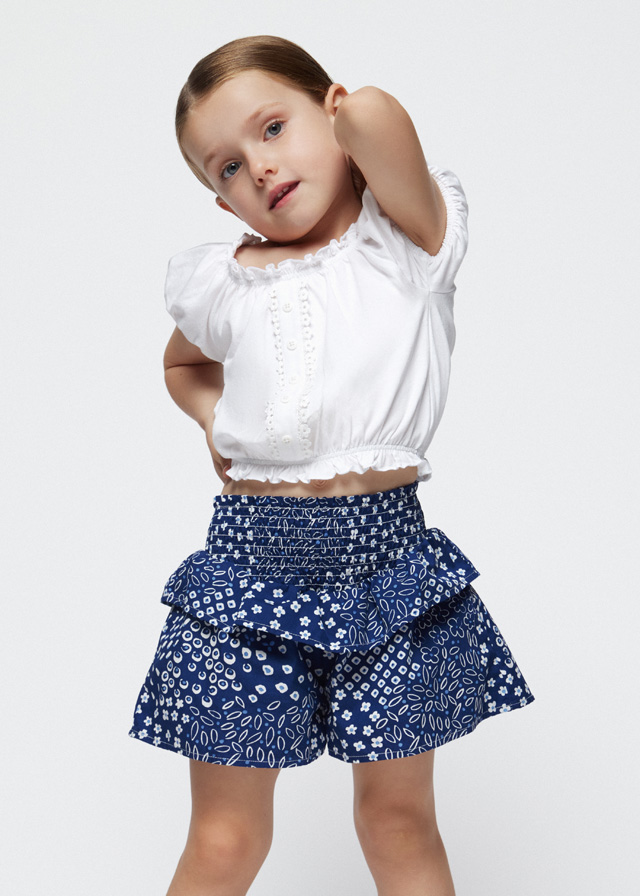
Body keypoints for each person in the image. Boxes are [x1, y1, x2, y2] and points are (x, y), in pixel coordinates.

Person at [129, 35, 536, 896]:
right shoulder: (223, 282)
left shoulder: (409, 240)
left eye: (274, 129)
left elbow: (379, 117)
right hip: (248, 567)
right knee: (225, 838)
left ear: (333, 111)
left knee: (396, 822)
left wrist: (345, 116)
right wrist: (212, 422)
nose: (260, 168)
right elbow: (183, 364)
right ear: (220, 200)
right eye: (228, 168)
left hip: (388, 566)